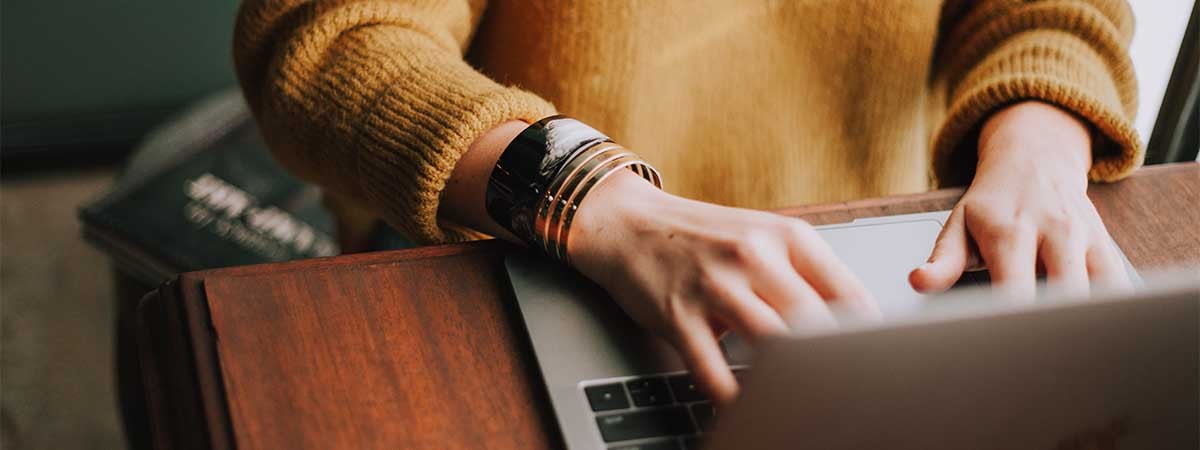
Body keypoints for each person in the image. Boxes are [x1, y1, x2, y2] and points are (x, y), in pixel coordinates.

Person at [234, 0, 1141, 404]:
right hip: (524, 263)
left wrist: (1042, 135)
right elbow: (325, 40)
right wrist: (593, 198)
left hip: (881, 280)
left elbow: (1053, 7)